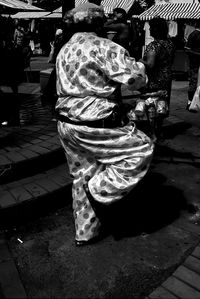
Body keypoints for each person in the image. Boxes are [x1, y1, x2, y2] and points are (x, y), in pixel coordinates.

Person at [55, 3, 154, 246]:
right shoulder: (104, 47)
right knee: (141, 148)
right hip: (94, 121)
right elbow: (135, 79)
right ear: (100, 23)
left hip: (67, 123)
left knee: (81, 174)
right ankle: (99, 189)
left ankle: (85, 233)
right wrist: (140, 66)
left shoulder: (64, 49)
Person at [139, 18, 175, 138]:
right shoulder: (170, 43)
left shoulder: (153, 46)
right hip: (166, 77)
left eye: (150, 27)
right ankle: (159, 129)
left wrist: (140, 61)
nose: (149, 29)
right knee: (162, 104)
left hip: (154, 79)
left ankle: (152, 132)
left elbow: (150, 64)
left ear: (155, 29)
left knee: (151, 104)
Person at [185, 20, 200, 110]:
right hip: (195, 63)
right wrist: (198, 54)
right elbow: (187, 49)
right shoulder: (194, 34)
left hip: (196, 63)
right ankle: (190, 102)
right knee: (193, 83)